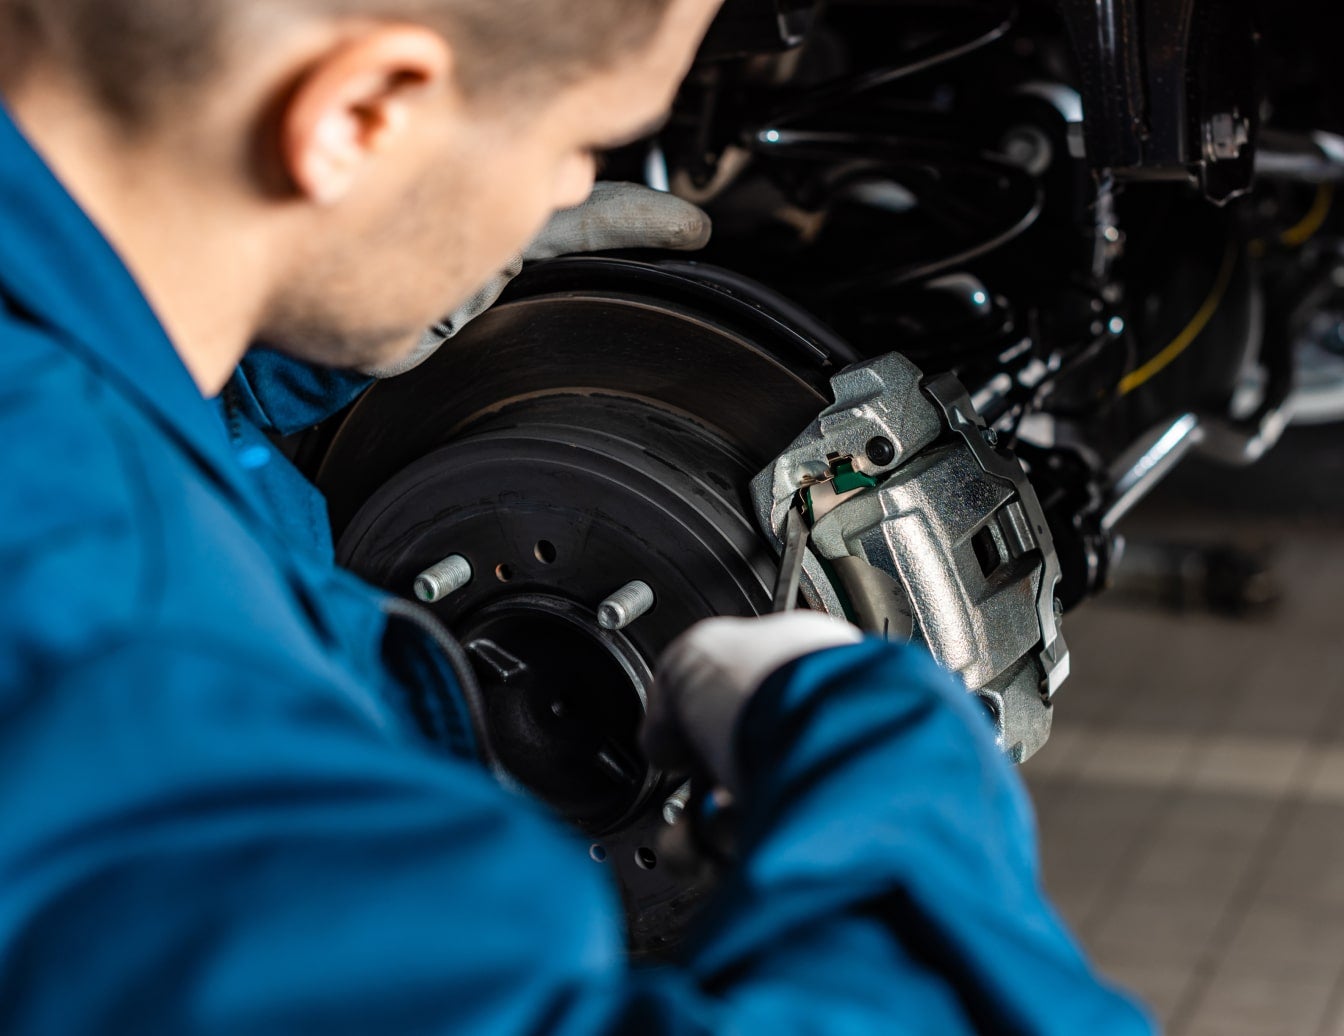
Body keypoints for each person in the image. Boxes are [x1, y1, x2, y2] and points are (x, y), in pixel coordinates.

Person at [0, 0, 1154, 1031]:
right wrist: (892, 797)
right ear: (360, 117)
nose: (567, 188)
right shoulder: (119, 654)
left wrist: (245, 359)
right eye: (576, 139)